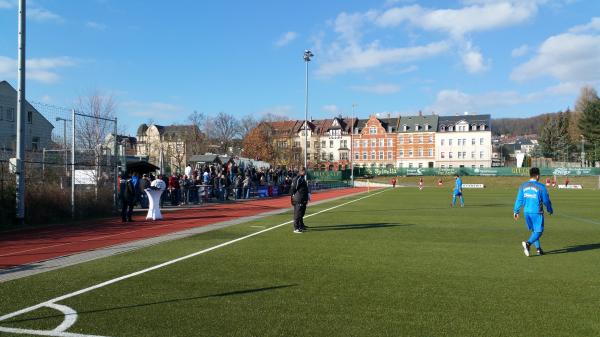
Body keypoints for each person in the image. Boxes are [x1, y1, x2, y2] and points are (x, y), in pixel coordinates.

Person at [513, 167, 553, 257]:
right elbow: (546, 200)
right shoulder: (541, 187)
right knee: (539, 231)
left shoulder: (523, 186)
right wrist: (550, 209)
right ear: (538, 176)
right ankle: (528, 244)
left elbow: (519, 199)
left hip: (526, 212)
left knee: (534, 230)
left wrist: (516, 211)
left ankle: (538, 249)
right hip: (537, 212)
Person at [290, 167, 310, 233]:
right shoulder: (298, 178)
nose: (306, 172)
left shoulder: (301, 178)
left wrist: (307, 196)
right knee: (298, 213)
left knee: (301, 213)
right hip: (298, 199)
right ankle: (296, 228)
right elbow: (293, 188)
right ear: (302, 171)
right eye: (305, 171)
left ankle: (301, 225)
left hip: (302, 198)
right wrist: (292, 196)